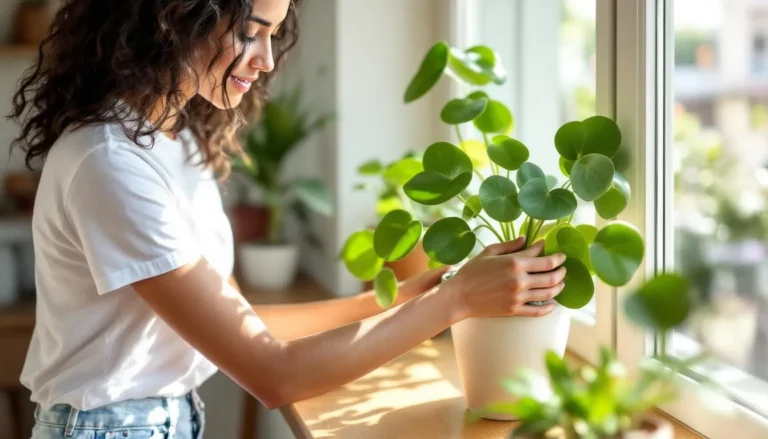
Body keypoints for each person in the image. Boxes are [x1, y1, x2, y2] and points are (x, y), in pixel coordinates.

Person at [8, 0, 567, 438]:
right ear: (174, 17)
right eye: (251, 31)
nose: (267, 59)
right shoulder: (109, 162)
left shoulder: (174, 142)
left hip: (166, 419)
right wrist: (455, 301)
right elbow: (273, 375)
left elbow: (241, 319)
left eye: (274, 33)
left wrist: (406, 298)